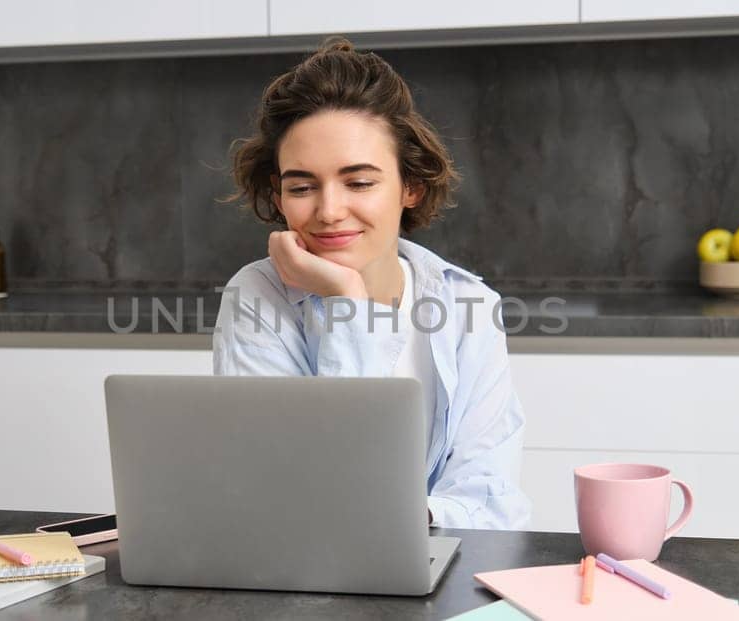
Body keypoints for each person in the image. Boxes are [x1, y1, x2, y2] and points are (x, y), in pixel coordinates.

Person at [213, 37, 531, 530]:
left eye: (359, 182)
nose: (329, 211)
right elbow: (303, 496)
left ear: (411, 185)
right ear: (277, 195)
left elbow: (491, 496)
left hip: (443, 565)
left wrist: (396, 524)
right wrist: (348, 300)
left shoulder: (469, 304)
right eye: (301, 186)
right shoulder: (258, 297)